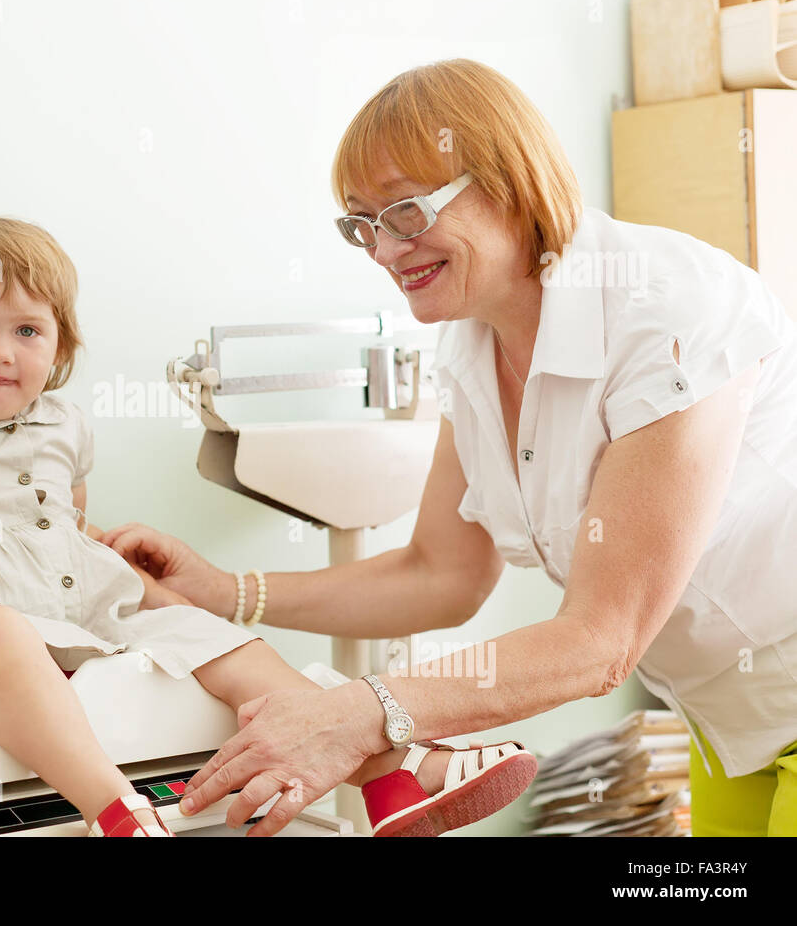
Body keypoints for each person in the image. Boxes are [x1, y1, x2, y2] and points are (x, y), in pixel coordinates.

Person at [102, 59, 797, 837]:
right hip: (730, 724)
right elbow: (441, 574)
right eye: (361, 224)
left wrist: (367, 715)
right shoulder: (471, 351)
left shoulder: (668, 309)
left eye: (404, 210)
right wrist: (227, 591)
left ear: (509, 179)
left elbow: (600, 642)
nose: (383, 250)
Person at [0, 216, 537, 837]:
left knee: (217, 637)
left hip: (74, 620)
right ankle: (118, 814)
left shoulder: (65, 428)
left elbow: (63, 537)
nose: (1, 351)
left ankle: (396, 777)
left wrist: (149, 588)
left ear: (60, 348)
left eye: (27, 331)